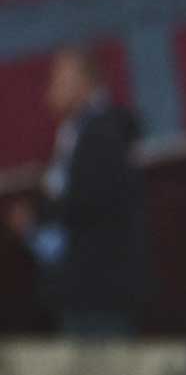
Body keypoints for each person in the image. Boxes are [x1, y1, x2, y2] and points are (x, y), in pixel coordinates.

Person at [3, 47, 149, 336]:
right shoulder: (76, 132)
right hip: (83, 287)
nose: (50, 91)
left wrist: (37, 219)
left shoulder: (100, 135)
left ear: (82, 83)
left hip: (98, 289)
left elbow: (86, 204)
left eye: (58, 81)